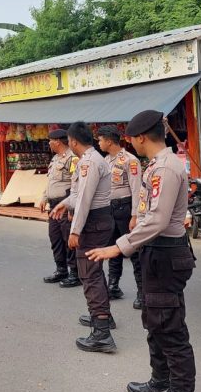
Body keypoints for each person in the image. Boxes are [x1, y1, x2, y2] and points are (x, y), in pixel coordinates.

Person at [85, 110, 196, 392]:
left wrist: (118, 246)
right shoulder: (157, 164)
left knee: (169, 329)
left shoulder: (165, 169)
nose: (131, 143)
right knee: (155, 323)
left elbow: (157, 221)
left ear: (141, 137)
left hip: (165, 254)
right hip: (156, 253)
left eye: (132, 138)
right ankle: (160, 380)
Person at [50, 122, 116, 353]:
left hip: (93, 222)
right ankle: (103, 317)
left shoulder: (88, 162)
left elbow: (85, 200)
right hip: (99, 219)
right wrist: (62, 203)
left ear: (73, 141)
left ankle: (102, 333)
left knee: (89, 275)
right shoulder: (92, 159)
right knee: (94, 272)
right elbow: (77, 194)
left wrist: (75, 230)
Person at [97, 125, 144, 309]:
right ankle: (113, 286)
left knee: (133, 250)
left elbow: (137, 189)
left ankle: (142, 292)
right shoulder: (106, 161)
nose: (99, 143)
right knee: (113, 248)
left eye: (101, 139)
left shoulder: (130, 160)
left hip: (125, 209)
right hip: (110, 209)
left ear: (109, 140)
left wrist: (135, 215)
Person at [37, 128, 80, 288]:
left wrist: (72, 208)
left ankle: (75, 273)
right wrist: (44, 197)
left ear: (57, 142)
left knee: (67, 238)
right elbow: (51, 182)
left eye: (50, 140)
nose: (48, 143)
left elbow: (76, 184)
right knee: (55, 237)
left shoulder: (73, 158)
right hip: (53, 205)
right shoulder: (55, 159)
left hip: (65, 203)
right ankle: (61, 269)